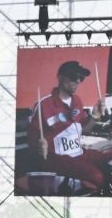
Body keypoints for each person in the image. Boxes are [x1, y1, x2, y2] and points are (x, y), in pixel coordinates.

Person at [30, 60, 104, 192]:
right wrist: (39, 145)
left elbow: (84, 129)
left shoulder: (77, 101)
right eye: (74, 77)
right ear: (60, 78)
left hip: (79, 153)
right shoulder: (44, 104)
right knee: (96, 176)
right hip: (57, 159)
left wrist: (95, 116)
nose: (78, 81)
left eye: (80, 78)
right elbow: (32, 138)